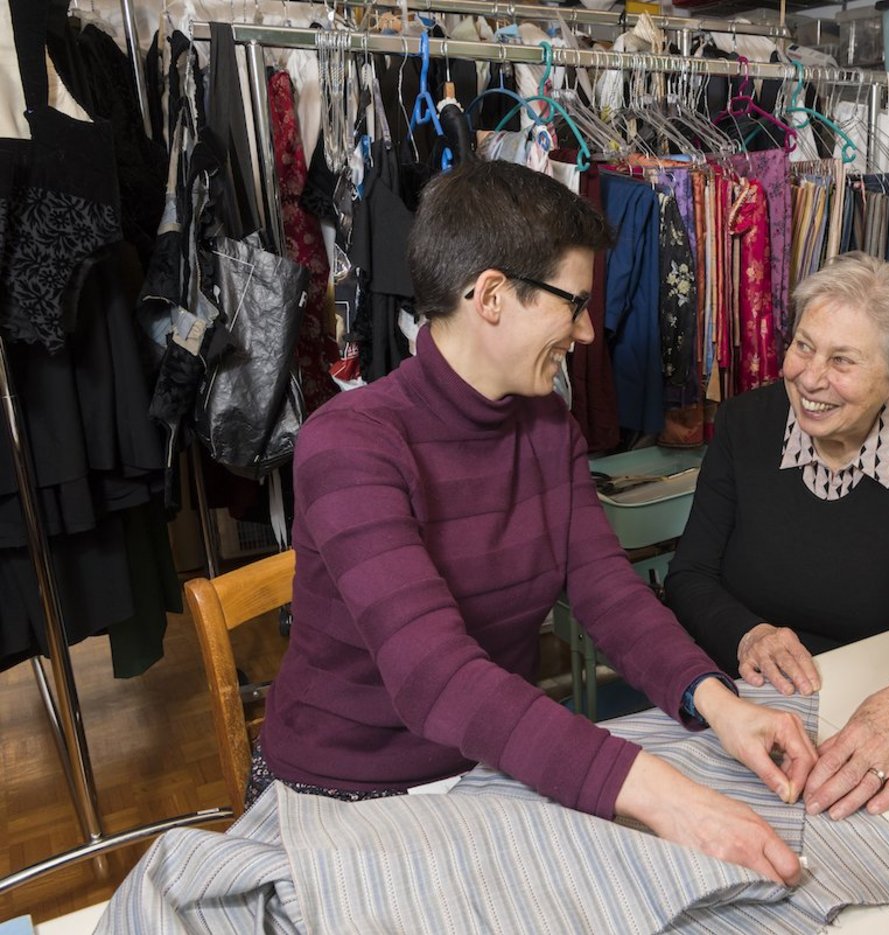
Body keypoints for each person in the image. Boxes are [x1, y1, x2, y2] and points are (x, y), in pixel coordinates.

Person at [255, 160, 817, 885]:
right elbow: (436, 677)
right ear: (491, 295)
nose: (587, 332)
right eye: (573, 302)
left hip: (489, 770)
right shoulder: (352, 443)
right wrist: (666, 797)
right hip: (346, 794)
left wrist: (720, 705)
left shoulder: (548, 425)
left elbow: (606, 591)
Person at [666, 252, 889, 822]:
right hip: (743, 699)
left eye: (842, 361)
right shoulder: (747, 425)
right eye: (804, 346)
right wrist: (747, 634)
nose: (809, 378)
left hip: (862, 700)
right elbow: (690, 574)